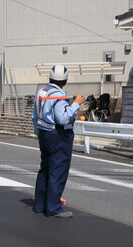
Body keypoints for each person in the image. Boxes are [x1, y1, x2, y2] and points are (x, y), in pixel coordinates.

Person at [31, 65, 85, 218]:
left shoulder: (41, 92)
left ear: (50, 77)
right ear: (65, 80)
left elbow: (34, 116)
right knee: (57, 171)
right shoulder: (59, 96)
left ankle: (40, 205)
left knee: (45, 169)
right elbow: (62, 119)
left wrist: (39, 133)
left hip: (44, 133)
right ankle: (53, 208)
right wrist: (76, 103)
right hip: (58, 135)